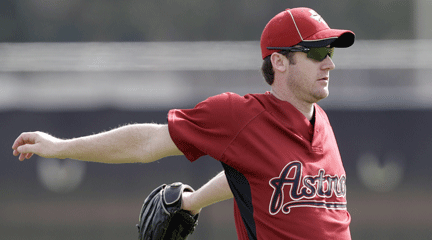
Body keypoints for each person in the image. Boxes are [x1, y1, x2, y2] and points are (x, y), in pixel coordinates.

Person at [12, 7, 355, 240]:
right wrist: (59, 147)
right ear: (279, 61)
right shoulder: (239, 116)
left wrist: (193, 203)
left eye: (331, 52)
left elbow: (254, 175)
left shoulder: (320, 121)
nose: (328, 63)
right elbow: (147, 143)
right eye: (315, 52)